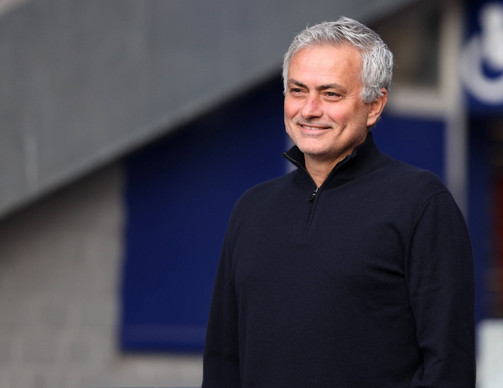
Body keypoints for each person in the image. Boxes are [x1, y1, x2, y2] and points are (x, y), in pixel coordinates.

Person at [202, 16, 475, 387]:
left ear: (374, 106)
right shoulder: (252, 209)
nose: (310, 109)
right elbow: (222, 359)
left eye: (331, 94)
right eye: (298, 90)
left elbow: (448, 364)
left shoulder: (421, 203)